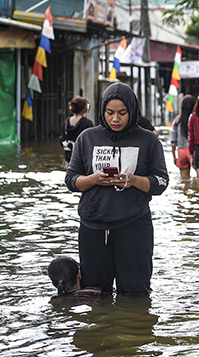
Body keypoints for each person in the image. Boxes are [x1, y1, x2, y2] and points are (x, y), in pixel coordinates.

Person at [65, 82, 169, 294]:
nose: (115, 119)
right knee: (94, 296)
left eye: (122, 113)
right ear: (102, 111)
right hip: (93, 227)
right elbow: (71, 179)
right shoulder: (87, 138)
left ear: (132, 110)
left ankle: (132, 327)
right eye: (110, 112)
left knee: (136, 295)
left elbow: (161, 182)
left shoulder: (148, 140)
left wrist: (134, 181)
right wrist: (93, 179)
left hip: (134, 226)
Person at [59, 96, 94, 169]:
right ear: (84, 108)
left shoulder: (66, 122)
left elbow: (62, 139)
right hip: (82, 161)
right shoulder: (87, 123)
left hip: (68, 160)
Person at [170, 94, 196, 179]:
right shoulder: (195, 119)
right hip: (194, 150)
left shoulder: (177, 120)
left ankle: (185, 192)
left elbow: (173, 140)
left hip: (181, 151)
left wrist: (174, 155)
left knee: (184, 180)